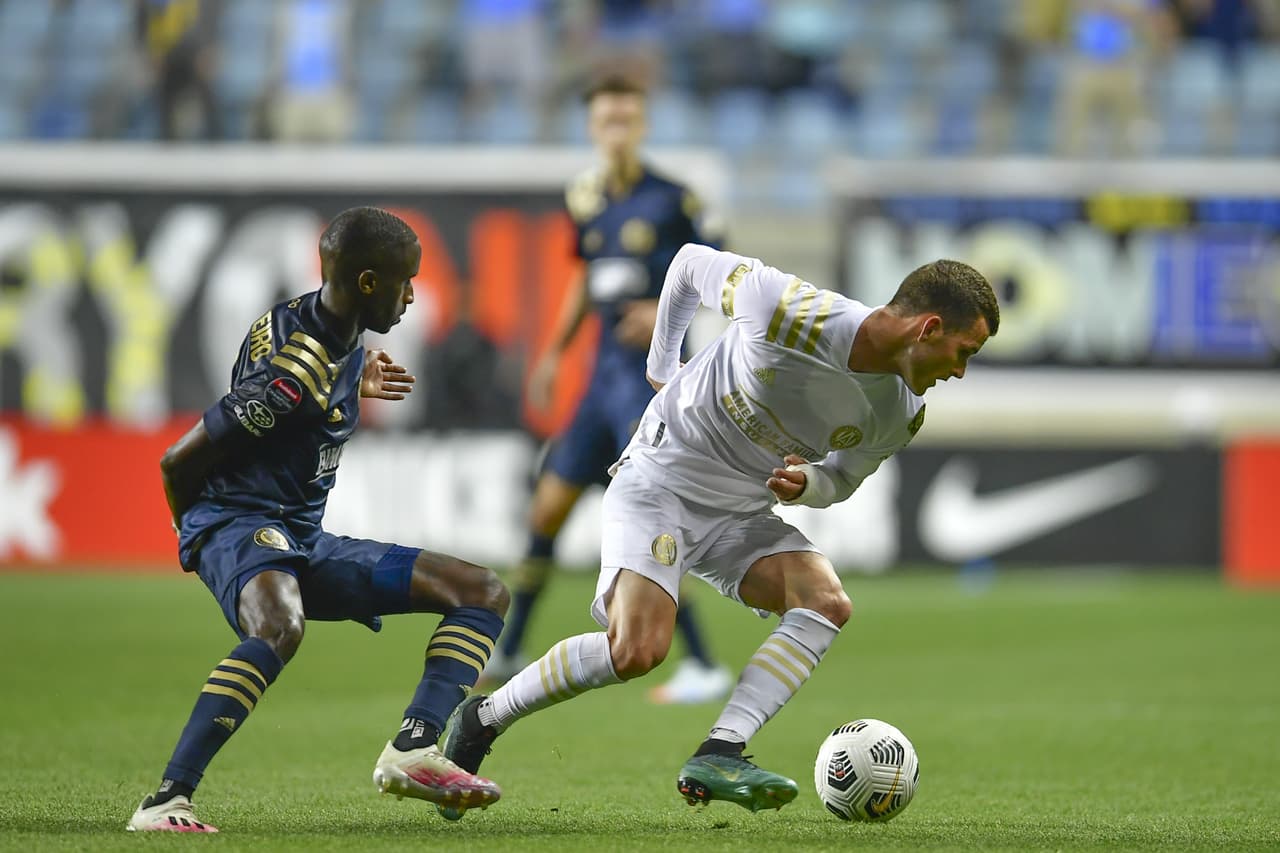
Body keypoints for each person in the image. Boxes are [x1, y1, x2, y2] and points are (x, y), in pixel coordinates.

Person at [440, 243, 999, 816]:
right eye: (965, 352)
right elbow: (684, 266)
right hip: (662, 480)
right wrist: (661, 363)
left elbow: (844, 478)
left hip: (740, 514)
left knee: (825, 600)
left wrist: (809, 487)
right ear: (928, 327)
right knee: (636, 650)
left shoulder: (899, 411)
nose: (959, 371)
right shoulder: (789, 309)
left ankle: (721, 749)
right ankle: (483, 717)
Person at [126, 207, 509, 833]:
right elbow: (178, 461)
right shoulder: (290, 371)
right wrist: (195, 534)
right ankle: (166, 801)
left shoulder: (338, 337)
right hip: (238, 525)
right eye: (404, 281)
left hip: (301, 538)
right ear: (366, 282)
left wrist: (351, 380)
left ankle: (414, 749)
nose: (413, 295)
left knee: (481, 591)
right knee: (280, 624)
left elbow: (319, 388)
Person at [484, 75, 730, 705]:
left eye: (627, 119)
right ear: (592, 128)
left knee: (654, 522)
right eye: (605, 121)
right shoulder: (586, 198)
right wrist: (553, 353)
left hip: (651, 384)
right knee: (547, 509)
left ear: (642, 125)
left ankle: (703, 664)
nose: (616, 130)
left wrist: (664, 312)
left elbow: (726, 277)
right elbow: (584, 277)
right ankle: (509, 649)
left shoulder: (677, 201)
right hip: (599, 383)